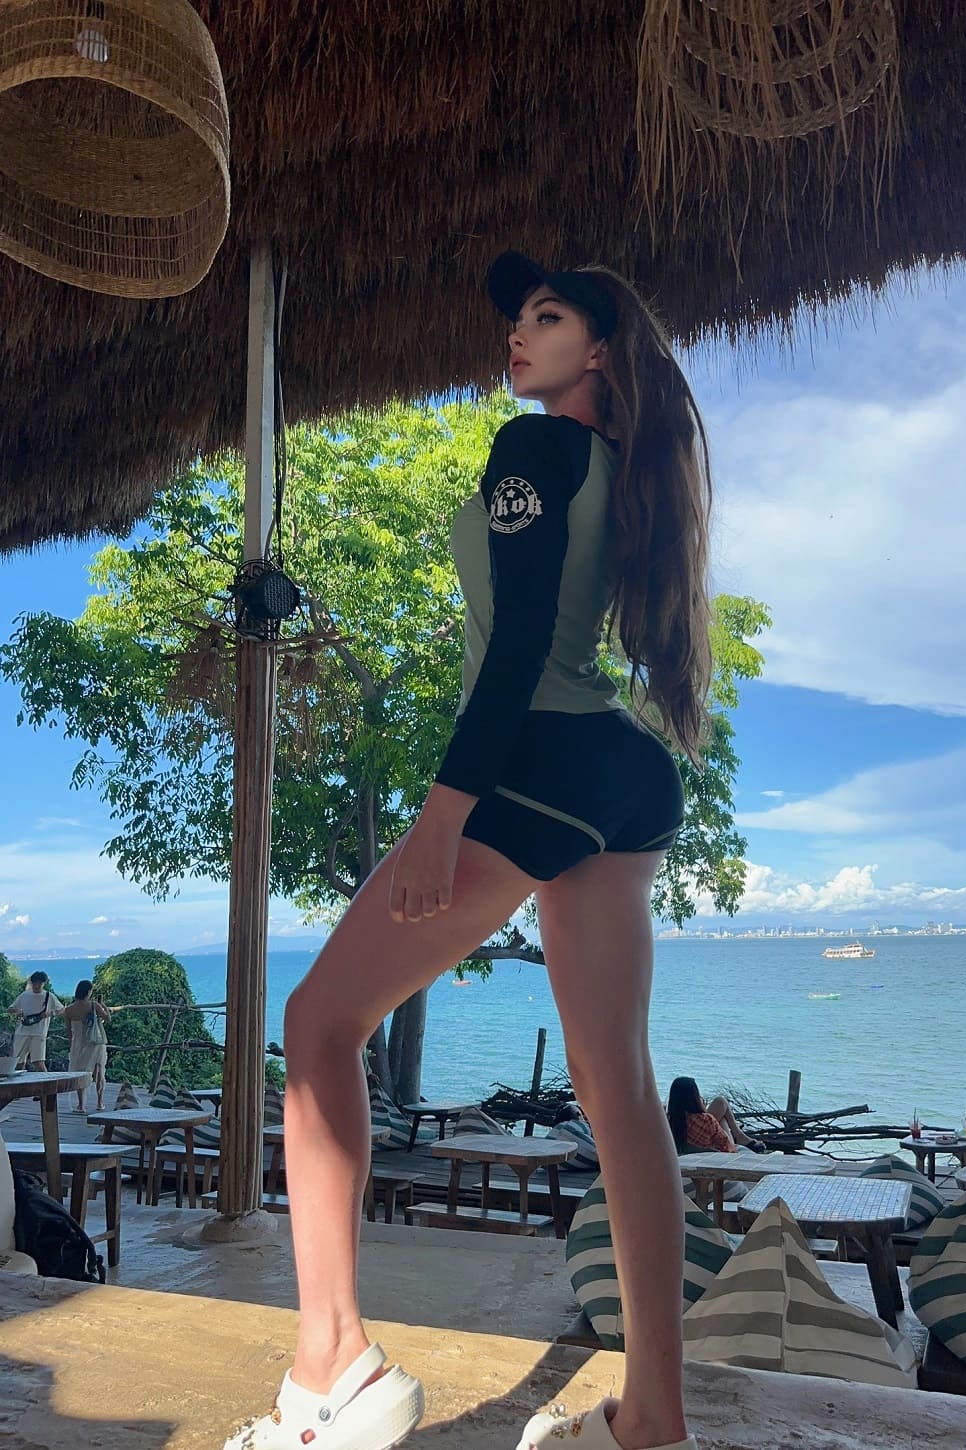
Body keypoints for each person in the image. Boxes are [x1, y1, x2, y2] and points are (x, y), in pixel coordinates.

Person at [225, 251, 713, 1450]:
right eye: (514, 317)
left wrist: (444, 813)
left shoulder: (532, 448)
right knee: (620, 1093)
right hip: (620, 770)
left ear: (599, 349)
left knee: (318, 1023)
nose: (516, 333)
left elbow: (517, 649)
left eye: (545, 316)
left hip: (535, 757)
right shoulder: (626, 471)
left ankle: (332, 1367)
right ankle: (654, 1419)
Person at [666, 1076, 765, 1156]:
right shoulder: (706, 1120)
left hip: (689, 1150)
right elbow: (725, 1146)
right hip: (714, 1153)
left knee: (720, 1105)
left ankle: (740, 1136)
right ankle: (739, 1135)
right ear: (694, 1096)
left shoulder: (669, 1120)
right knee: (721, 1110)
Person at [62, 981, 112, 1113]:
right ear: (88, 992)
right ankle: (100, 1102)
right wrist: (104, 1006)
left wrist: (72, 1044)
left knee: (80, 1073)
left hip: (78, 1043)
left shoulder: (69, 1009)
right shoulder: (94, 1005)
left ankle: (81, 1105)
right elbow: (108, 1018)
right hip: (95, 1043)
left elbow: (68, 1031)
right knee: (99, 1072)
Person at [7, 971, 62, 1072]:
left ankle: (46, 1081)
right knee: (18, 1062)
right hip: (22, 1032)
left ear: (43, 983)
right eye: (34, 983)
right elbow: (10, 1009)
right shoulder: (24, 995)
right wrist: (17, 1011)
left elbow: (61, 1009)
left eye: (39, 983)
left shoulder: (49, 996)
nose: (36, 986)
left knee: (38, 1062)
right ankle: (20, 1081)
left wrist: (50, 1013)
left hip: (38, 1033)